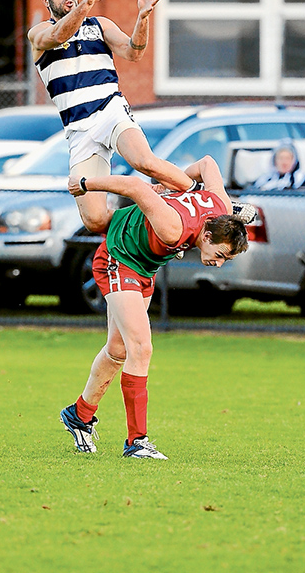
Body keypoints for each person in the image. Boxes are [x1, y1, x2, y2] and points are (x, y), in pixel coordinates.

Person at [60, 155, 249, 459]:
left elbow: (208, 164)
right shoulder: (173, 227)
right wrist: (84, 185)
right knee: (141, 348)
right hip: (118, 258)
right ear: (209, 235)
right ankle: (137, 442)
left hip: (143, 266)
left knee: (118, 350)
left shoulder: (223, 209)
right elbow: (134, 186)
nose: (219, 263)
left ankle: (79, 414)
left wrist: (169, 185)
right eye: (221, 254)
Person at [27, 0, 196, 233]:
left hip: (110, 110)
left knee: (144, 161)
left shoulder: (100, 25)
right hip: (78, 129)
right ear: (46, 0)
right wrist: (86, 4)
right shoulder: (38, 34)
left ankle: (204, 199)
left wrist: (142, 18)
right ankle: (154, 204)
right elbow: (60, 34)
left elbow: (134, 52)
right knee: (95, 220)